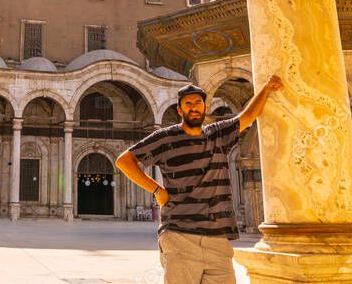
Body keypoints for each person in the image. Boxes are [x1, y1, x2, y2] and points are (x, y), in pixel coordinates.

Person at [115, 75, 283, 284]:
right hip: (180, 236)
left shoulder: (218, 134)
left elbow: (248, 116)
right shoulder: (166, 138)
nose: (194, 107)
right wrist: (157, 190)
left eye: (198, 103)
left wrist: (266, 88)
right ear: (180, 110)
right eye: (188, 104)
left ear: (205, 107)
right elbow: (125, 161)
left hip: (218, 240)